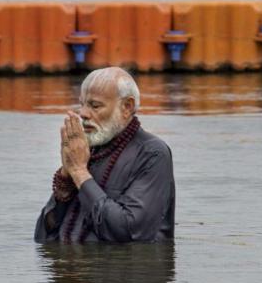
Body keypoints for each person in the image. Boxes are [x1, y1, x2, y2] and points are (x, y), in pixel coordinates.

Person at [34, 67, 175, 243]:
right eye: (82, 104)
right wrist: (66, 175)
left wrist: (79, 172)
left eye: (95, 105)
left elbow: (129, 233)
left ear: (126, 107)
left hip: (122, 269)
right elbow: (42, 237)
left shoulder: (152, 154)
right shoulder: (88, 150)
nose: (83, 113)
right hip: (72, 267)